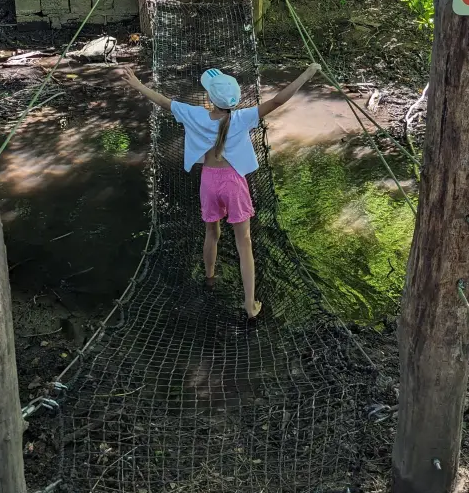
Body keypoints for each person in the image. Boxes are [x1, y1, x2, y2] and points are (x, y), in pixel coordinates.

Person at [120, 63, 321, 318]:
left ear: (209, 99)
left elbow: (163, 101)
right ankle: (250, 304)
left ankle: (210, 277)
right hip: (233, 182)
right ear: (233, 100)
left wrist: (138, 85)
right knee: (244, 242)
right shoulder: (242, 117)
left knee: (212, 232)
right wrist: (307, 73)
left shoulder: (196, 115)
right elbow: (278, 100)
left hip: (209, 182)